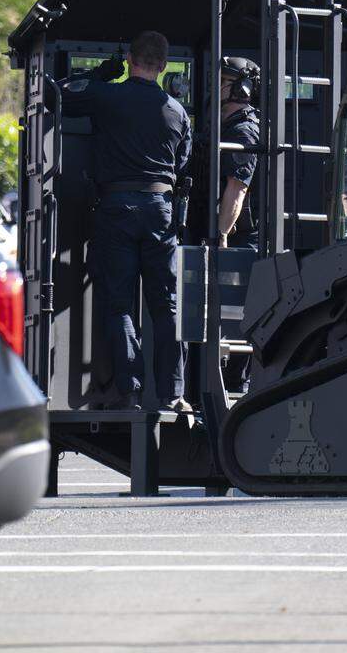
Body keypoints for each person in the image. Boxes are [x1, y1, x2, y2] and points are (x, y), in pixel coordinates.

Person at [60, 31, 192, 413]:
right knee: (166, 304)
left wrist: (102, 74)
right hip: (160, 210)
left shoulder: (107, 95)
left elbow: (57, 95)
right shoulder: (177, 112)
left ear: (131, 59)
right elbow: (182, 166)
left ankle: (130, 391)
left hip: (115, 206)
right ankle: (173, 393)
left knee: (119, 304)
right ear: (164, 66)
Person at [216, 56, 262, 250]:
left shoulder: (243, 132)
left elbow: (237, 188)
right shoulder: (227, 125)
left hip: (241, 239)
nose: (217, 86)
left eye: (223, 81)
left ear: (242, 88)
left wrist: (221, 235)